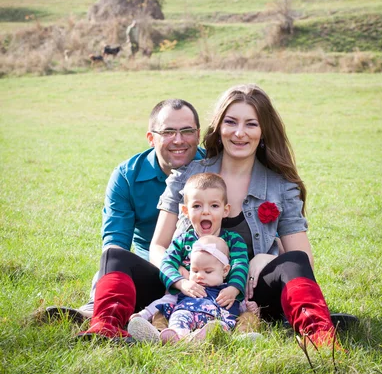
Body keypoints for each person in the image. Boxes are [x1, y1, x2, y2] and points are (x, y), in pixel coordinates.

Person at [149, 84, 341, 349]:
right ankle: (108, 325)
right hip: (190, 289)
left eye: (251, 124)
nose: (239, 133)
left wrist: (264, 260)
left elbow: (302, 259)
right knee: (116, 258)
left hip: (251, 297)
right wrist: (181, 276)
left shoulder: (280, 186)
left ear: (263, 132)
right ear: (219, 127)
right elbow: (158, 245)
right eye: (231, 122)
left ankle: (321, 336)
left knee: (293, 260)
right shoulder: (186, 176)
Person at [47, 98, 203, 322]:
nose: (178, 140)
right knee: (111, 262)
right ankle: (93, 311)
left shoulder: (213, 168)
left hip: (202, 274)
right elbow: (115, 243)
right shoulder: (127, 176)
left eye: (186, 131)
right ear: (151, 138)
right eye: (168, 132)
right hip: (152, 269)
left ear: (198, 134)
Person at [127, 173, 256, 343]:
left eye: (214, 206)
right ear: (186, 211)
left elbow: (240, 264)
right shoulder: (182, 241)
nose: (205, 212)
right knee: (162, 311)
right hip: (184, 302)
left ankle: (237, 338)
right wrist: (181, 283)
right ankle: (161, 335)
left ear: (226, 210)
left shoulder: (233, 241)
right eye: (197, 206)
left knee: (249, 316)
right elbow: (166, 264)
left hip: (220, 300)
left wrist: (233, 288)